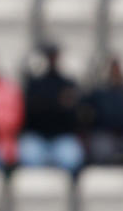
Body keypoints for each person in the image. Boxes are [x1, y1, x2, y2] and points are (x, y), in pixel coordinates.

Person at [18, 43, 85, 173]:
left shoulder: (68, 83)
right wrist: (57, 104)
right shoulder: (33, 84)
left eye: (54, 56)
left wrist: (51, 105)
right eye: (49, 56)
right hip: (36, 137)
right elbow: (31, 113)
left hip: (62, 137)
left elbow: (72, 116)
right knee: (29, 157)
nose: (51, 60)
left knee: (72, 158)